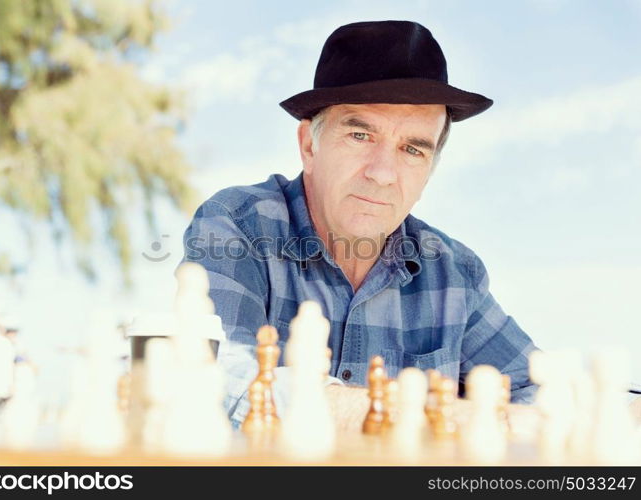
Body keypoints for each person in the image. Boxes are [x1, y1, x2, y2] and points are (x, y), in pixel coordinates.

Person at [180, 20, 538, 429]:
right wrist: (435, 416)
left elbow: (541, 391)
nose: (383, 173)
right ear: (309, 145)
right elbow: (219, 380)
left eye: (412, 150)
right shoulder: (236, 226)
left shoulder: (455, 272)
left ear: (430, 169)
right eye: (360, 135)